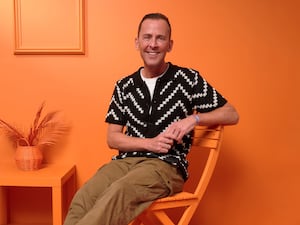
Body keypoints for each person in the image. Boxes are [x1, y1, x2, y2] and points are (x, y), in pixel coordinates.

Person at [63, 12, 239, 225]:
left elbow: (231, 113)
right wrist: (150, 143)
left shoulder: (188, 79)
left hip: (165, 166)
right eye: (147, 37)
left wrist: (193, 119)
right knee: (84, 197)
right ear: (137, 42)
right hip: (125, 163)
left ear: (170, 45)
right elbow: (113, 139)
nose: (153, 44)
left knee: (119, 192)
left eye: (160, 38)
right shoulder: (124, 86)